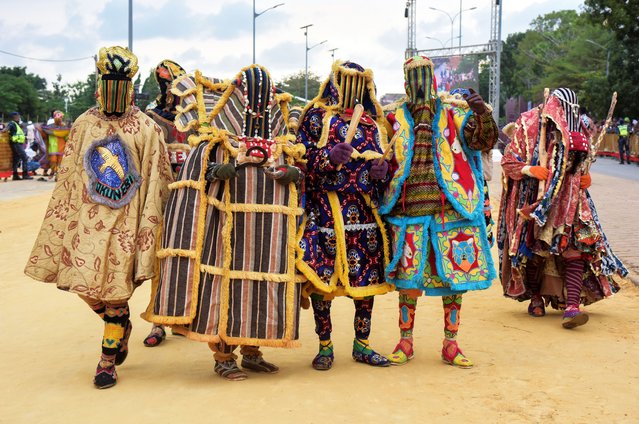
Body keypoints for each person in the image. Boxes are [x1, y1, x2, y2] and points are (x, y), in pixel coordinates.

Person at [24, 46, 173, 389]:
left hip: (126, 223)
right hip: (87, 224)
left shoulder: (147, 128)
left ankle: (106, 361)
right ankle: (119, 324)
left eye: (121, 84)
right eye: (109, 83)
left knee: (116, 292)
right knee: (85, 288)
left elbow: (156, 180)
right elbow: (71, 175)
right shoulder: (83, 124)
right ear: (99, 86)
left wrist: (148, 226)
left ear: (131, 88)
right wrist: (65, 219)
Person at [144, 65, 305, 381]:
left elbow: (300, 169)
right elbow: (194, 170)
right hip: (226, 230)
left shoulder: (283, 134)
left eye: (264, 97)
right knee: (224, 287)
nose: (258, 106)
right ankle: (222, 356)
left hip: (268, 230)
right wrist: (216, 171)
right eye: (252, 97)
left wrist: (293, 173)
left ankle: (252, 352)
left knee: (260, 286)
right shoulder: (215, 133)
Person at [379, 56, 497, 368]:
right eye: (413, 78)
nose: (419, 84)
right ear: (405, 82)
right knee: (408, 282)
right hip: (408, 213)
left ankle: (451, 343)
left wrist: (482, 113)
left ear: (433, 79)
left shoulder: (455, 111)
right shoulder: (391, 118)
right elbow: (380, 157)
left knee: (455, 280)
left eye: (424, 77)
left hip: (452, 209)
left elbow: (481, 141)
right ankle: (405, 341)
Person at [498, 88, 627, 328]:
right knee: (536, 250)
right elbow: (508, 162)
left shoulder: (579, 126)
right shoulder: (528, 123)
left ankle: (571, 308)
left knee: (576, 247)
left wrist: (585, 177)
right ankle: (536, 297)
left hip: (573, 201)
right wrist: (529, 170)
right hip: (537, 199)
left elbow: (580, 161)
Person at [296, 61, 393, 370]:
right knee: (323, 280)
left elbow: (391, 163)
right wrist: (326, 156)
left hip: (365, 209)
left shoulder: (375, 124)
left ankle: (362, 344)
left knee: (366, 279)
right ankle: (325, 346)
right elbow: (299, 155)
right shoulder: (316, 116)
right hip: (326, 206)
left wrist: (383, 172)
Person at [142, 59, 191, 347]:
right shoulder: (151, 118)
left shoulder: (198, 117)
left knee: (190, 255)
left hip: (194, 195)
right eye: (167, 85)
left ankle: (185, 316)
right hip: (161, 196)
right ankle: (158, 321)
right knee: (160, 257)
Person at [41, 111, 71, 180]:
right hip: (52, 147)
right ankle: (53, 170)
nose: (59, 118)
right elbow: (44, 134)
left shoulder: (64, 127)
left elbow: (66, 137)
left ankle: (57, 175)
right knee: (53, 160)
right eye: (57, 117)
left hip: (61, 147)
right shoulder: (49, 127)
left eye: (60, 117)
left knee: (60, 162)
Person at [7, 112, 32, 180]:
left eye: (19, 116)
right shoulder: (12, 123)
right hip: (16, 144)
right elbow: (6, 129)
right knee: (25, 158)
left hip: (17, 144)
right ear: (14, 117)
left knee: (16, 159)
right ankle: (25, 174)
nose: (18, 118)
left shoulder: (16, 124)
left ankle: (15, 175)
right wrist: (3, 131)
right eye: (17, 116)